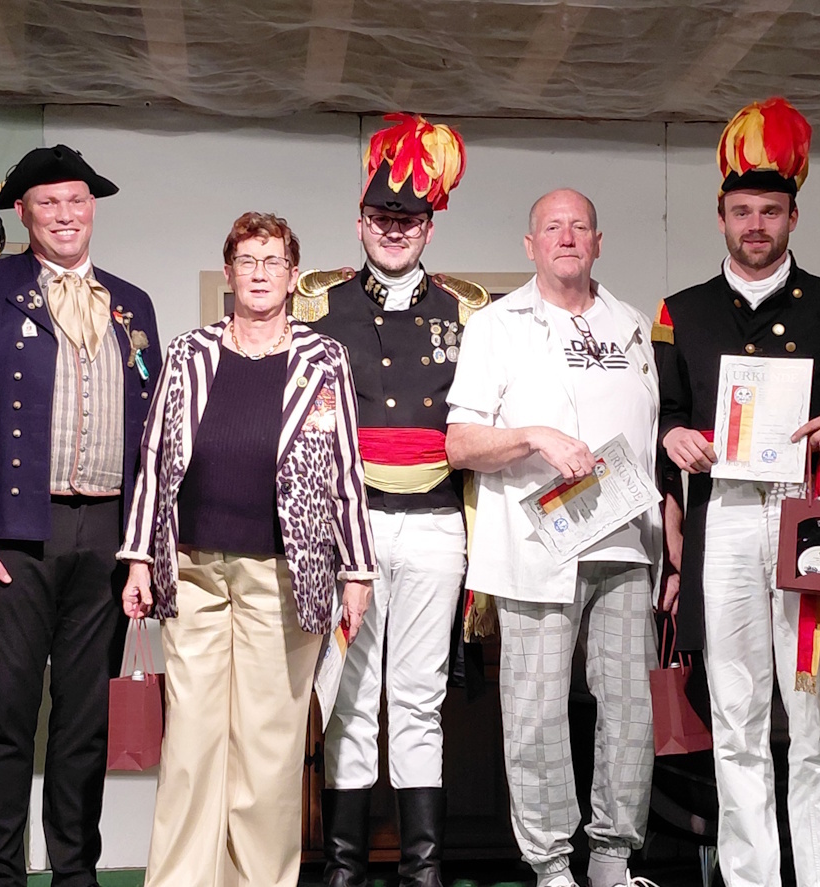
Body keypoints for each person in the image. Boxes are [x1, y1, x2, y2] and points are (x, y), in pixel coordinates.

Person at [0, 145, 162, 887]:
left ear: (93, 209)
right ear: (22, 212)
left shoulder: (131, 303)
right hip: (9, 537)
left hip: (107, 535)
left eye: (76, 200)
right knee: (6, 717)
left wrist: (145, 544)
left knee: (85, 724)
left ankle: (76, 874)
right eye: (48, 202)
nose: (65, 214)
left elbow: (154, 434)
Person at [652, 97, 820, 887]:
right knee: (736, 716)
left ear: (792, 217)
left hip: (809, 512)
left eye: (770, 211)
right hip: (721, 517)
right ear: (720, 216)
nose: (755, 225)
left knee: (817, 719)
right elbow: (664, 415)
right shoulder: (680, 312)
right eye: (742, 211)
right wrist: (671, 438)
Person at [119, 212, 378, 887]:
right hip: (193, 570)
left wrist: (356, 570)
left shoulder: (324, 358)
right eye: (246, 260)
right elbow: (154, 457)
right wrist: (140, 556)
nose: (259, 273)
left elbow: (344, 469)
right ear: (229, 272)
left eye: (272, 261)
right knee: (190, 743)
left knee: (268, 745)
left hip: (285, 574)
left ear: (293, 276)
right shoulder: (188, 352)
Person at [445, 189, 660, 887]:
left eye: (579, 226)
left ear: (597, 241)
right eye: (551, 227)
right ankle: (550, 864)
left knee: (629, 707)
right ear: (530, 245)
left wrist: (672, 543)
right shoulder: (495, 325)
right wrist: (534, 435)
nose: (566, 237)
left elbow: (651, 442)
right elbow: (459, 443)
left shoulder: (632, 324)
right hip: (535, 547)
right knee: (535, 712)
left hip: (624, 542)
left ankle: (612, 860)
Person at [298, 114, 486, 887]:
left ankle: (422, 869)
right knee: (347, 697)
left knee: (417, 699)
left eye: (409, 218)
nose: (395, 228)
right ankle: (343, 866)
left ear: (429, 226)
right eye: (382, 216)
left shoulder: (466, 311)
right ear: (360, 221)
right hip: (352, 530)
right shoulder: (320, 304)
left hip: (436, 525)